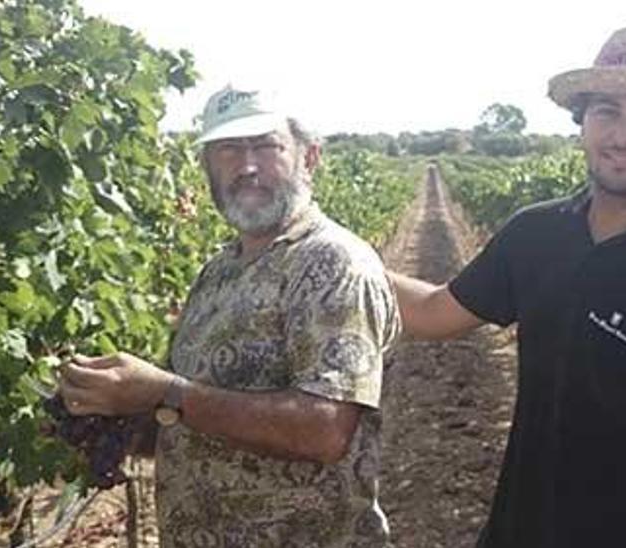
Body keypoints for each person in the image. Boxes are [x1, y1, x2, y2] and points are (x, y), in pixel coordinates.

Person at [387, 25, 626, 548]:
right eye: (607, 111)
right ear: (582, 121)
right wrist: (335, 255)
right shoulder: (537, 234)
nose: (623, 135)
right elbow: (436, 311)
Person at [58, 85, 401, 547]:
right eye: (228, 150)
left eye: (266, 146)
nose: (247, 167)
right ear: (207, 167)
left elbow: (325, 429)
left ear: (310, 157)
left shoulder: (332, 263)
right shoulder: (219, 271)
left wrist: (166, 392)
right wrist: (110, 414)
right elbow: (200, 416)